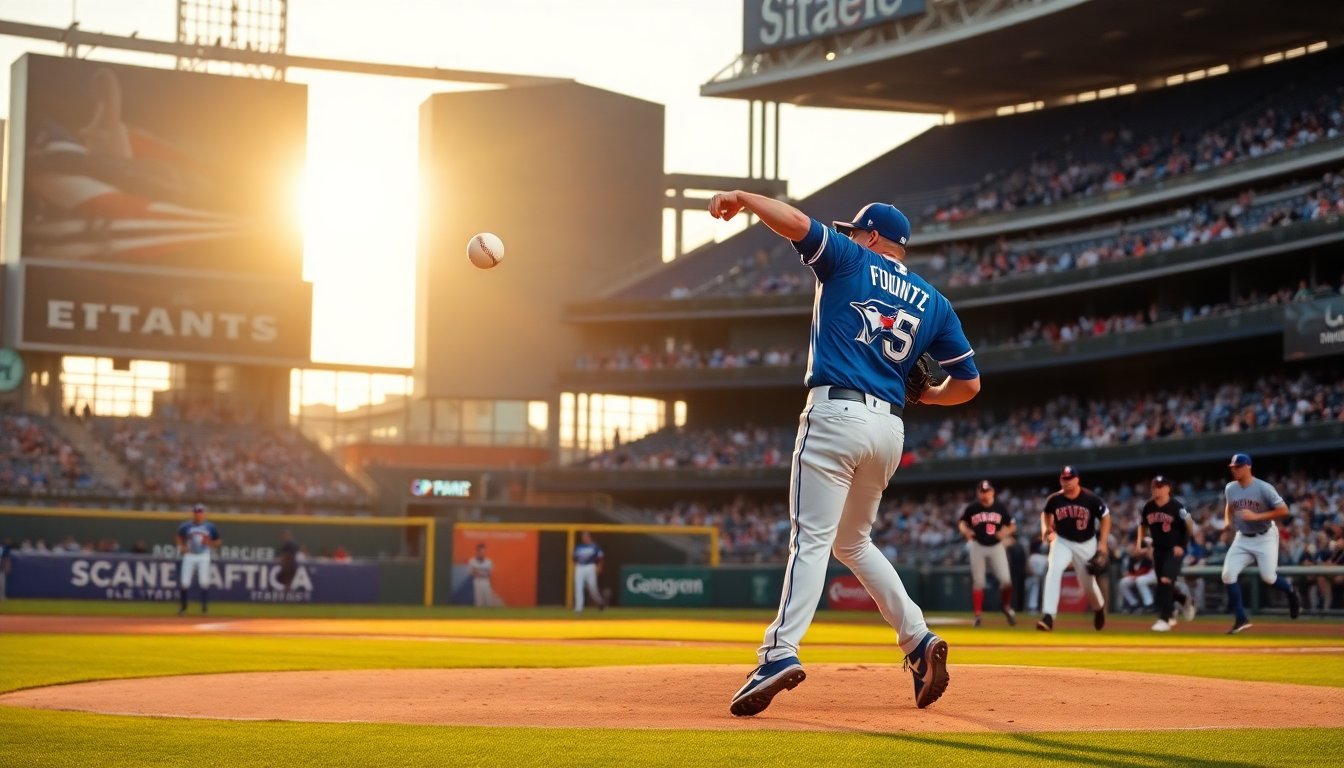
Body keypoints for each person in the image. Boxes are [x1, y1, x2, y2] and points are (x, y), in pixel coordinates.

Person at [707, 191, 981, 717]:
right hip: (889, 429)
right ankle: (919, 641)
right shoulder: (935, 302)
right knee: (852, 542)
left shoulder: (852, 258)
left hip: (836, 413)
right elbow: (968, 385)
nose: (852, 236)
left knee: (810, 539)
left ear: (873, 237)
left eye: (857, 231)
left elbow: (795, 224)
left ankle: (777, 653)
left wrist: (744, 197)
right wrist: (927, 394)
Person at [1221, 453, 1300, 634]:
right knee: (1227, 575)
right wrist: (1227, 522)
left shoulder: (1264, 488)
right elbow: (1229, 507)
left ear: (1248, 466)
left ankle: (1290, 592)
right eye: (1233, 467)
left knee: (1268, 577)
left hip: (1265, 537)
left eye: (1238, 466)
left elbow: (1283, 510)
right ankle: (1241, 618)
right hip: (1242, 538)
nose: (1235, 469)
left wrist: (1257, 516)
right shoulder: (1230, 488)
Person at [1037, 465, 1110, 632]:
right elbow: (1046, 513)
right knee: (1053, 570)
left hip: (1086, 543)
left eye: (1070, 478)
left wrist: (1103, 543)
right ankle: (1048, 616)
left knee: (1088, 584)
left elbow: (1105, 517)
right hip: (1062, 541)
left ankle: (1099, 608)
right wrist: (1046, 528)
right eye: (1064, 478)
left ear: (1077, 479)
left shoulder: (1090, 498)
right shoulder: (1054, 499)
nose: (1067, 481)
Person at [1139, 475, 1197, 631]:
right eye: (1154, 486)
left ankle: (1164, 619)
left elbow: (1189, 525)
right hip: (1158, 549)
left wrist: (1182, 545)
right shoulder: (1148, 506)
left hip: (1174, 550)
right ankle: (1182, 600)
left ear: (1167, 488)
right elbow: (1142, 525)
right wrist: (1141, 543)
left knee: (1165, 581)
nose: (1156, 489)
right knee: (1164, 585)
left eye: (1160, 486)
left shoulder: (1176, 506)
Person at [957, 480, 1017, 627]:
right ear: (978, 493)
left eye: (987, 491)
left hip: (996, 546)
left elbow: (1012, 525)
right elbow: (962, 523)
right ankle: (978, 616)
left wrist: (1006, 531)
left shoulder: (1000, 507)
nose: (985, 494)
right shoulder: (973, 507)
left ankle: (1006, 607)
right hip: (978, 545)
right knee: (979, 582)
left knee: (1006, 581)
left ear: (992, 492)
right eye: (982, 491)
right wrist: (966, 531)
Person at [175, 504, 220, 615]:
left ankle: (204, 608)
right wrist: (181, 546)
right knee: (185, 582)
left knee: (204, 582)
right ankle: (183, 608)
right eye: (196, 512)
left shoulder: (210, 526)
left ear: (204, 514)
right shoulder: (186, 526)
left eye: (200, 512)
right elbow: (178, 536)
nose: (198, 514)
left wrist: (209, 543)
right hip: (189, 555)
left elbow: (218, 542)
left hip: (203, 555)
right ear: (194, 513)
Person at [572, 531, 606, 612]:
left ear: (589, 537)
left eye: (586, 536)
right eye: (583, 536)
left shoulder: (595, 546)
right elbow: (574, 558)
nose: (584, 538)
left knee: (592, 588)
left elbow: (601, 557)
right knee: (578, 587)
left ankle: (600, 602)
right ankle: (578, 608)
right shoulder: (578, 547)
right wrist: (576, 567)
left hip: (590, 566)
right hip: (580, 567)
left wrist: (599, 567)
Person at [1118, 543, 1156, 614]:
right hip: (1137, 576)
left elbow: (1146, 569)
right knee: (1123, 582)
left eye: (1137, 550)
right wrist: (1131, 575)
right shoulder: (1132, 559)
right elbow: (1130, 571)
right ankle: (1134, 604)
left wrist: (1134, 575)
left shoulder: (1146, 558)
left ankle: (1149, 605)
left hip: (1148, 575)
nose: (1135, 552)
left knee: (1140, 580)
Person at [468, 542, 495, 608]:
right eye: (481, 551)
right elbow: (471, 573)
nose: (483, 553)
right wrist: (481, 573)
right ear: (477, 551)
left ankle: (489, 617)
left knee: (489, 601)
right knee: (479, 602)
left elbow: (489, 573)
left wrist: (478, 572)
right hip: (477, 582)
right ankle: (479, 617)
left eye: (484, 551)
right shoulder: (472, 561)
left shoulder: (489, 561)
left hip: (486, 582)